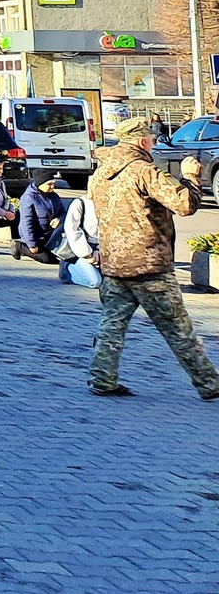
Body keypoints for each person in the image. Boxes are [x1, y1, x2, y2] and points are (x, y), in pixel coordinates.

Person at [87, 116, 219, 399]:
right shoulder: (144, 171)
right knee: (177, 328)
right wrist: (191, 177)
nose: (155, 143)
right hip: (149, 265)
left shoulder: (100, 173)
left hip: (115, 263)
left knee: (111, 324)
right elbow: (185, 204)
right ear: (142, 141)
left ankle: (102, 379)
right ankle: (209, 384)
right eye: (152, 138)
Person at [16, 173, 67, 265]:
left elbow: (63, 212)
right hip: (36, 236)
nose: (52, 187)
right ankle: (19, 246)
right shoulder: (28, 197)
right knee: (47, 259)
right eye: (49, 184)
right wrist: (32, 244)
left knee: (65, 257)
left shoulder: (54, 196)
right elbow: (26, 222)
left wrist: (59, 218)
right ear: (40, 184)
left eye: (53, 183)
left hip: (51, 235)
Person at [57, 182, 102, 288]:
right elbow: (71, 229)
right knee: (95, 282)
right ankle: (67, 271)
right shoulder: (80, 203)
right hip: (80, 251)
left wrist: (99, 249)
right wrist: (87, 254)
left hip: (100, 250)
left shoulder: (109, 205)